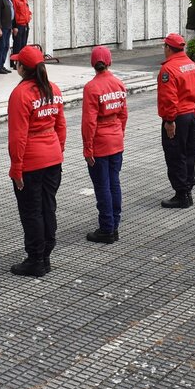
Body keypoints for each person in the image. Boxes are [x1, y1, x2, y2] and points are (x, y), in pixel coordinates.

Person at [7, 46, 66, 277]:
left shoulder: (21, 94)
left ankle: (35, 259)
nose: (16, 67)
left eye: (17, 63)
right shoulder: (53, 89)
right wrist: (57, 150)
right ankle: (46, 255)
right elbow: (60, 125)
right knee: (48, 207)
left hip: (31, 162)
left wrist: (16, 168)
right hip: (52, 158)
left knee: (31, 211)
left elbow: (18, 136)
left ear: (22, 68)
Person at [81, 46, 128, 244]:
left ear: (93, 63)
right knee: (114, 182)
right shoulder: (119, 84)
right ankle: (114, 223)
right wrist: (119, 133)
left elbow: (89, 122)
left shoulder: (92, 88)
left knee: (102, 186)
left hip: (100, 143)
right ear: (109, 62)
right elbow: (123, 114)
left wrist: (87, 147)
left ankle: (107, 228)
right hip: (116, 140)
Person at [157, 33, 195, 208]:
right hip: (190, 116)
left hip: (177, 118)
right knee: (189, 153)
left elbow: (168, 99)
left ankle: (181, 194)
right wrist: (194, 110)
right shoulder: (192, 65)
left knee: (175, 154)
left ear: (169, 48)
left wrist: (170, 121)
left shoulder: (168, 70)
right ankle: (188, 190)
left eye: (164, 47)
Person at [12, 0, 32, 64]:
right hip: (19, 25)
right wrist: (15, 26)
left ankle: (21, 62)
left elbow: (27, 11)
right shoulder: (15, 0)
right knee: (17, 44)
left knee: (23, 44)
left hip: (25, 24)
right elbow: (13, 14)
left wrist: (29, 16)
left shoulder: (24, 0)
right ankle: (15, 62)